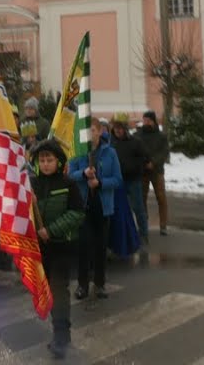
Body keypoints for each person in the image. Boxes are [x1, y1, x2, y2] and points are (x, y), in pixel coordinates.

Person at [29, 139, 85, 359]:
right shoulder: (32, 184)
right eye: (41, 160)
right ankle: (58, 332)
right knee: (47, 292)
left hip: (62, 246)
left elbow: (77, 214)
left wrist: (51, 231)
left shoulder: (68, 184)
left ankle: (62, 335)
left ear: (58, 161)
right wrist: (28, 202)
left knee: (58, 290)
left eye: (49, 160)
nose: (45, 164)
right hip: (40, 248)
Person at [67, 118, 121, 300]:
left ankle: (99, 283)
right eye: (87, 131)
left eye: (93, 130)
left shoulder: (110, 153)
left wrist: (101, 183)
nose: (90, 134)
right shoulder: (78, 153)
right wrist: (83, 174)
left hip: (102, 206)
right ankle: (82, 284)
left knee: (100, 246)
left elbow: (118, 179)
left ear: (100, 131)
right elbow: (70, 176)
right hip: (83, 206)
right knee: (83, 246)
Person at [108, 116, 149, 249]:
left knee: (138, 207)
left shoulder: (135, 142)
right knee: (121, 209)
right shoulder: (111, 142)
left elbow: (144, 158)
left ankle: (143, 234)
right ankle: (125, 235)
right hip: (117, 181)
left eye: (120, 128)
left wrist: (136, 167)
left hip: (133, 180)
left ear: (125, 129)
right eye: (115, 128)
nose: (118, 131)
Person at [133, 111, 170, 237]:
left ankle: (163, 225)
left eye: (148, 120)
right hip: (142, 171)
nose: (146, 123)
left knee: (161, 198)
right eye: (145, 120)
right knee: (141, 198)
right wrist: (142, 163)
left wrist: (153, 162)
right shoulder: (138, 135)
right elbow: (135, 151)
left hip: (157, 171)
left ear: (154, 121)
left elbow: (164, 152)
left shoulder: (161, 136)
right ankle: (143, 224)